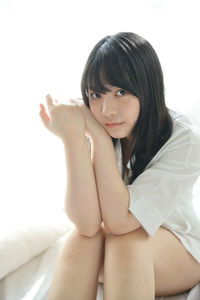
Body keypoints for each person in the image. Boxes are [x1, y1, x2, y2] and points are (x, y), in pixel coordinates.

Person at [39, 32, 200, 300]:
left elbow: (120, 222)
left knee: (124, 240)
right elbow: (87, 224)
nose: (107, 110)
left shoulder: (186, 139)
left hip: (179, 247)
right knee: (80, 240)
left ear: (148, 88)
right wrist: (72, 139)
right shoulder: (100, 123)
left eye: (121, 92)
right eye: (97, 94)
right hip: (116, 245)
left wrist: (99, 140)